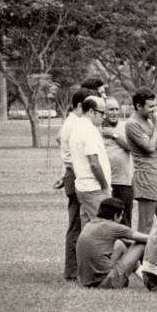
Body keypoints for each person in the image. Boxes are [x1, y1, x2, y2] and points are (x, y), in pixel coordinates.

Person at [57, 88, 95, 280]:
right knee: (76, 226)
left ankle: (76, 268)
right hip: (76, 176)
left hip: (74, 174)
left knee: (80, 223)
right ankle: (71, 270)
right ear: (81, 105)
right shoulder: (74, 124)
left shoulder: (72, 123)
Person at [76, 197, 149, 289]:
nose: (122, 218)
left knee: (119, 244)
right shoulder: (114, 227)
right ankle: (150, 280)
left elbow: (124, 242)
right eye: (121, 215)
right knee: (140, 244)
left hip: (86, 282)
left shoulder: (90, 224)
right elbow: (148, 239)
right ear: (115, 216)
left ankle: (144, 278)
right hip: (108, 283)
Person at [126, 86, 157, 233]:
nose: (154, 110)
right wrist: (156, 129)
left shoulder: (150, 121)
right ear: (138, 106)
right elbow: (149, 148)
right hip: (145, 176)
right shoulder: (132, 124)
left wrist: (152, 140)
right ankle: (138, 256)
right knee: (146, 226)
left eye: (155, 105)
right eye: (151, 106)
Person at [69, 96, 112, 227]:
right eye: (102, 113)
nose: (104, 117)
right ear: (91, 112)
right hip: (94, 188)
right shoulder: (89, 130)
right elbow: (94, 163)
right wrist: (105, 186)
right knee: (103, 228)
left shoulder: (78, 128)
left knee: (88, 227)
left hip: (84, 187)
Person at [101, 97, 134, 227]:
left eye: (116, 109)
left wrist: (113, 135)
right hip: (105, 183)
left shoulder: (124, 127)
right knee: (107, 222)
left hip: (123, 182)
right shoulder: (97, 129)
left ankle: (125, 247)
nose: (114, 112)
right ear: (103, 112)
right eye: (111, 109)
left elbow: (130, 146)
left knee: (124, 222)